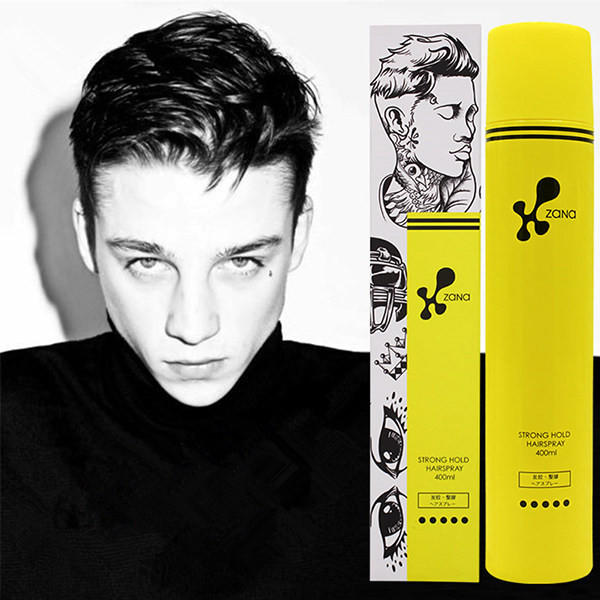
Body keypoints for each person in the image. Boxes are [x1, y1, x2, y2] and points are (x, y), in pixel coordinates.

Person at [1, 12, 368, 599]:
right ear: (86, 236)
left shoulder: (423, 424)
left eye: (241, 262)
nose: (193, 327)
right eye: (146, 263)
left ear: (298, 234)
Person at [370, 33, 479, 227]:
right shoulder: (371, 212)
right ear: (398, 122)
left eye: (470, 115)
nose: (468, 132)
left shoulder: (471, 198)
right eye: (449, 112)